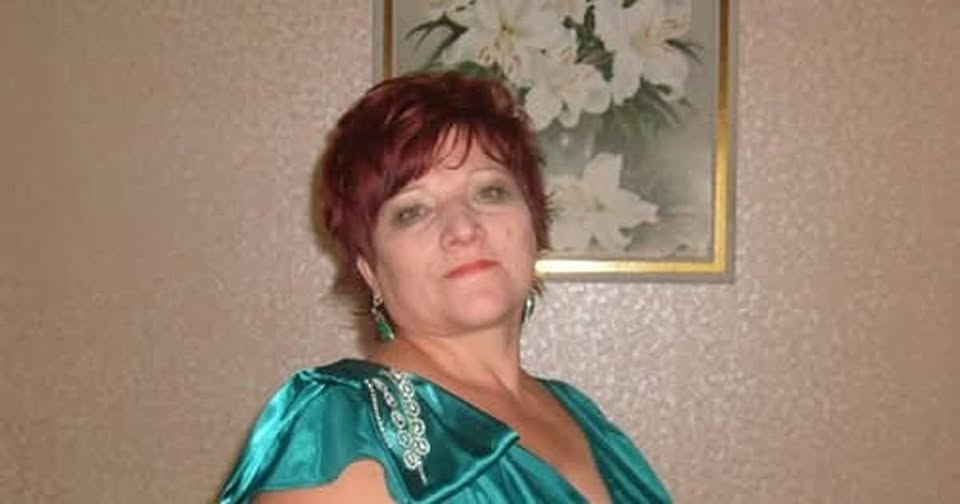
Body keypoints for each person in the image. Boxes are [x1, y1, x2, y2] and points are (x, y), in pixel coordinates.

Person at [218, 72, 672, 504]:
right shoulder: (343, 433)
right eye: (412, 211)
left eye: (489, 192)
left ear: (533, 224)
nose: (463, 228)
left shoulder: (579, 413)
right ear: (371, 271)